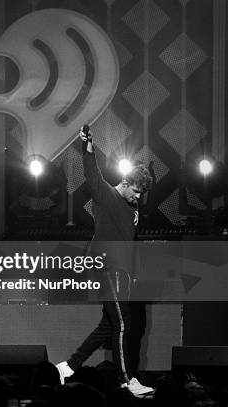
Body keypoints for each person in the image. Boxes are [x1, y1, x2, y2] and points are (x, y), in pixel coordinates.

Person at [55, 127, 154, 397]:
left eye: (140, 194)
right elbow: (91, 173)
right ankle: (127, 380)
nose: (137, 197)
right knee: (123, 325)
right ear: (124, 182)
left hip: (121, 272)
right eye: (135, 191)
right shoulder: (106, 195)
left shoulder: (130, 210)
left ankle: (68, 366)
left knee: (108, 326)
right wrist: (88, 146)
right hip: (105, 266)